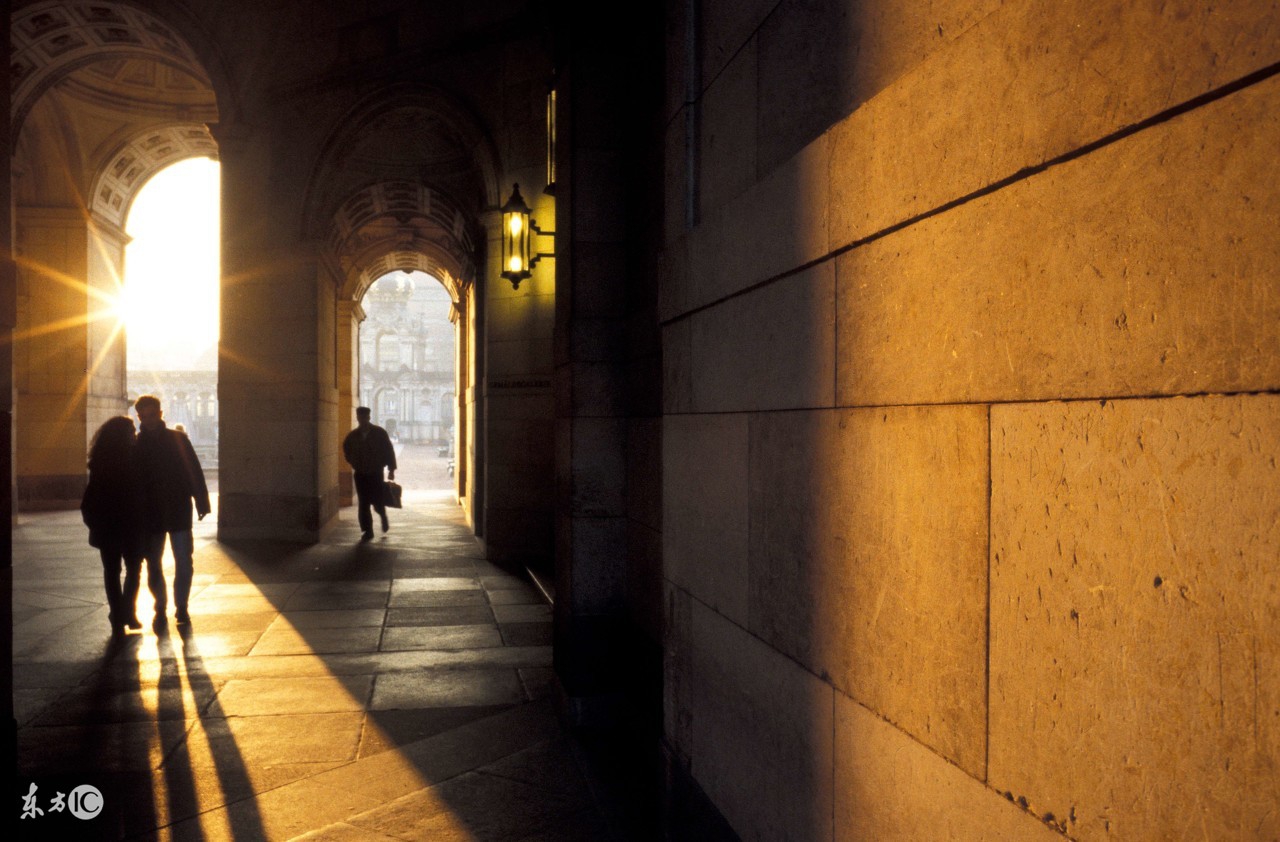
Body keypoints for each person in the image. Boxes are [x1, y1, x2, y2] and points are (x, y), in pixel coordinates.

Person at [134, 394, 210, 626]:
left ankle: (180, 606)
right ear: (139, 417)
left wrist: (202, 501)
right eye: (143, 416)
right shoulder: (138, 443)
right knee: (156, 563)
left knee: (183, 562)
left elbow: (193, 470)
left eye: (151, 415)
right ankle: (162, 606)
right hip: (156, 513)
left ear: (160, 413)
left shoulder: (173, 440)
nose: (148, 421)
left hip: (173, 511)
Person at [81, 416, 147, 635]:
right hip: (129, 524)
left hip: (110, 526)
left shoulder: (100, 461)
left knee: (113, 571)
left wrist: (94, 523)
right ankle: (126, 612)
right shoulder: (136, 458)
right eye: (130, 431)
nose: (134, 434)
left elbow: (90, 499)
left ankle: (119, 613)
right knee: (132, 571)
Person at [342, 406, 397, 541]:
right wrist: (353, 463)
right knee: (364, 502)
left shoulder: (380, 433)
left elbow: (389, 451)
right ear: (358, 418)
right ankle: (367, 531)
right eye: (360, 417)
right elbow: (346, 450)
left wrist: (391, 469)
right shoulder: (352, 436)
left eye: (364, 417)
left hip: (376, 473)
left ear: (368, 417)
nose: (362, 420)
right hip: (360, 473)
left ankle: (382, 515)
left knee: (377, 500)